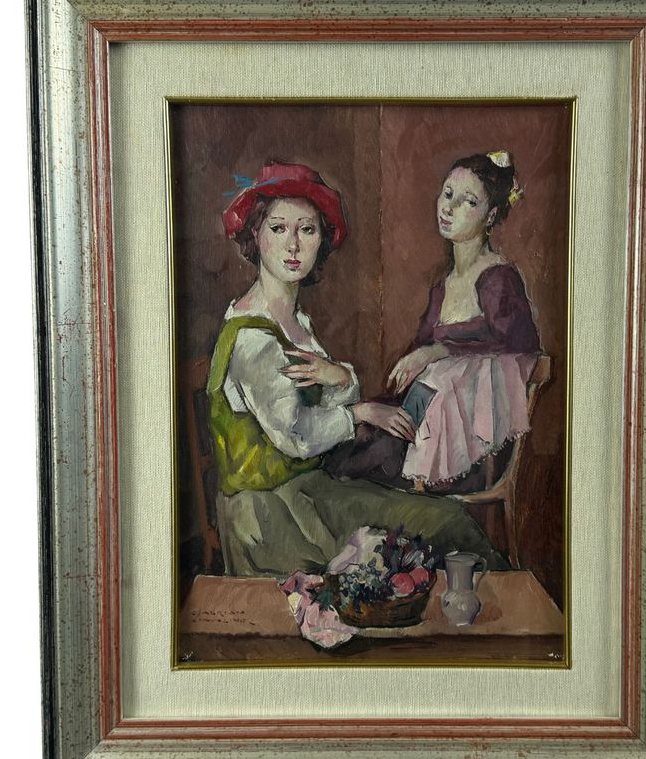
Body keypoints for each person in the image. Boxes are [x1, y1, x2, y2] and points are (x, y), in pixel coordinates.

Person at [207, 159, 506, 577]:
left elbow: (323, 408)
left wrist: (342, 378)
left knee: (446, 524)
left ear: (322, 241)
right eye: (278, 228)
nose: (293, 246)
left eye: (307, 230)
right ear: (255, 235)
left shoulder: (296, 322)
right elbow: (297, 437)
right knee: (437, 531)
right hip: (270, 516)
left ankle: (492, 606)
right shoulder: (252, 338)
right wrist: (360, 412)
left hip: (310, 493)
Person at [325, 150, 541, 492]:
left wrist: (439, 351)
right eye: (448, 194)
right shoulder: (442, 287)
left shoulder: (498, 278)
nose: (449, 208)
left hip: (468, 445)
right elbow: (419, 358)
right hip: (424, 421)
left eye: (468, 201)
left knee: (350, 464)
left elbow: (520, 345)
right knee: (347, 449)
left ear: (491, 215)